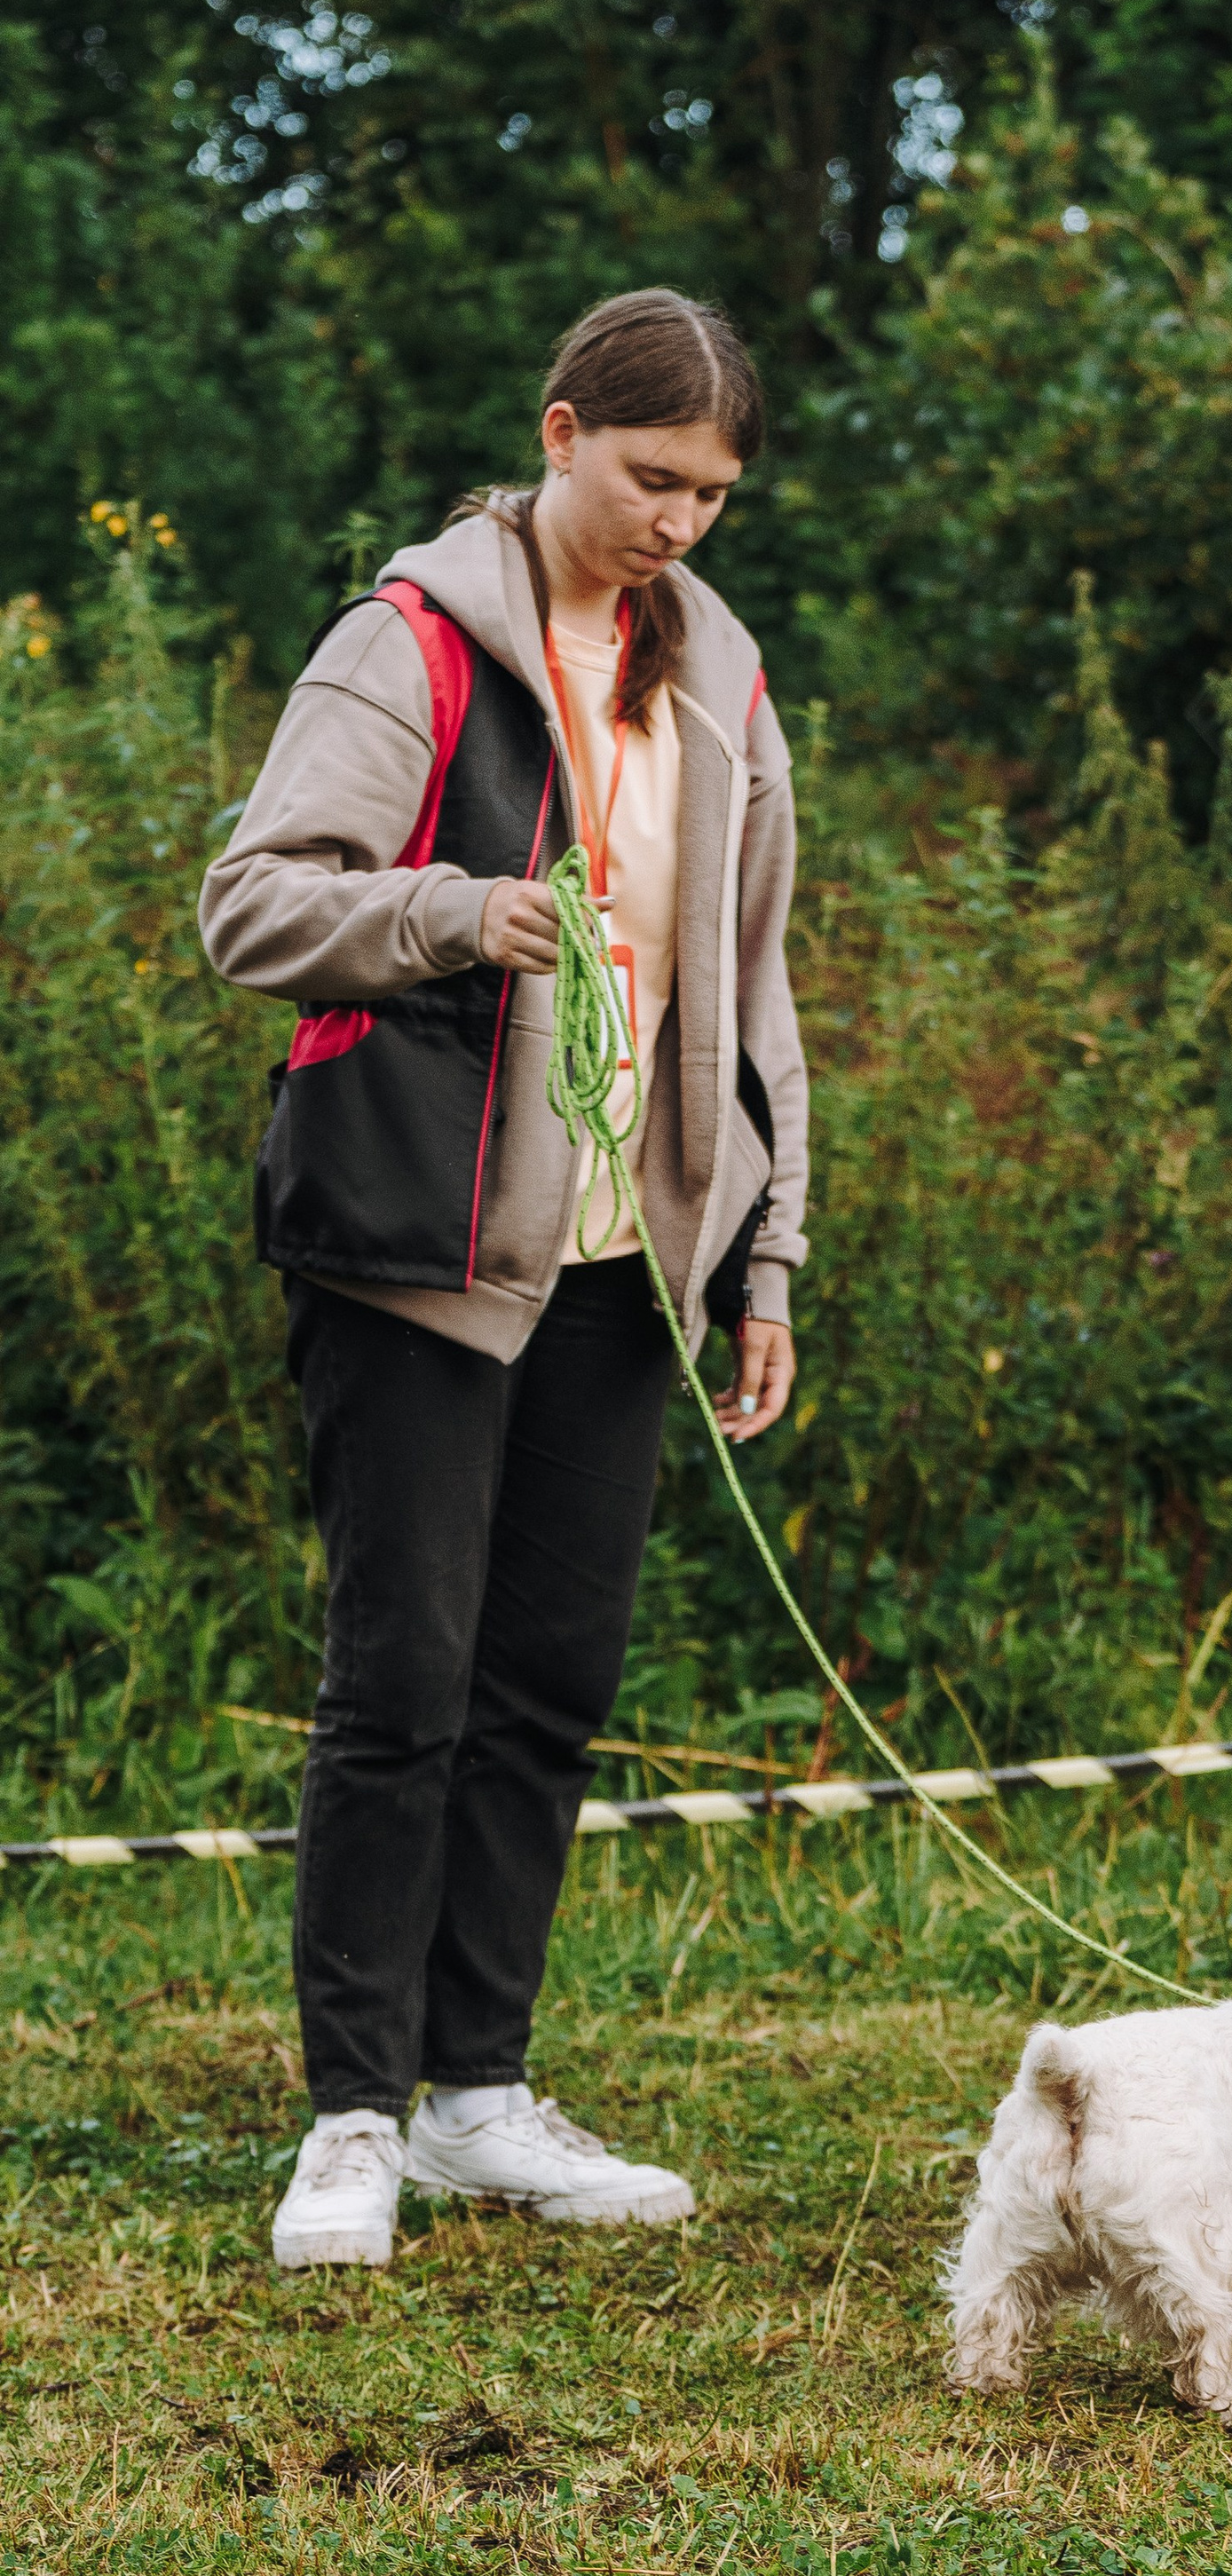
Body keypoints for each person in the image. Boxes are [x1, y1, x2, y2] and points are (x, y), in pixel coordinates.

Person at [200, 287, 809, 2270]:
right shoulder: (411, 641)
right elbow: (255, 901)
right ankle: (352, 2117)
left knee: (544, 1690)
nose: (678, 525)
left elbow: (755, 986)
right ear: (558, 438)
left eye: (711, 493)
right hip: (418, 1249)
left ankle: (479, 2095)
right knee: (403, 1687)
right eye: (649, 478)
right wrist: (458, 913)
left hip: (630, 1265)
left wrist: (766, 1251)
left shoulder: (720, 675)